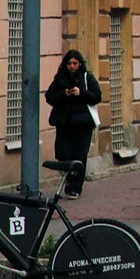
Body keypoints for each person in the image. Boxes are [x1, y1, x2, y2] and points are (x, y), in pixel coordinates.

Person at [45, 50, 104, 195]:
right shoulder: (59, 79)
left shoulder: (87, 78)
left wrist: (81, 93)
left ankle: (75, 188)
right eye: (69, 63)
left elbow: (97, 96)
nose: (72, 66)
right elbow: (49, 97)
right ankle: (69, 178)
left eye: (75, 63)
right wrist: (64, 94)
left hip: (82, 125)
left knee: (80, 155)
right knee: (63, 153)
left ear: (80, 64)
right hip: (64, 123)